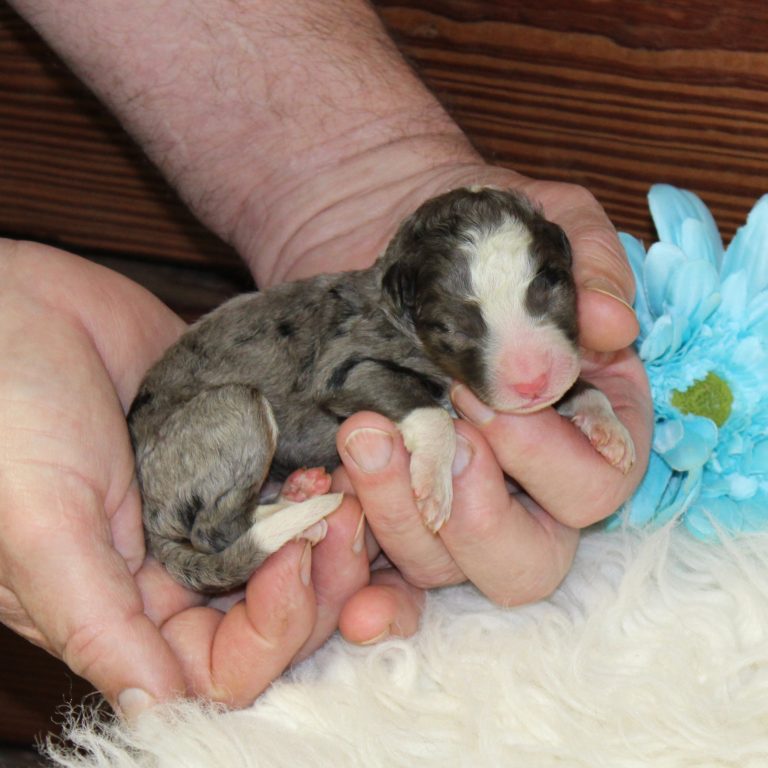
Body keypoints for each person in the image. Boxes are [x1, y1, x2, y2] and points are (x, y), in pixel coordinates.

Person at [0, 0, 652, 719]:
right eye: (463, 326)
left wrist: (586, 402)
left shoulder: (435, 308)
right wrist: (427, 427)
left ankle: (271, 513)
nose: (528, 369)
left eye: (545, 296)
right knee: (250, 419)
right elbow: (345, 378)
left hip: (267, 454)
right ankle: (230, 534)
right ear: (405, 304)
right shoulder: (376, 323)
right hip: (192, 448)